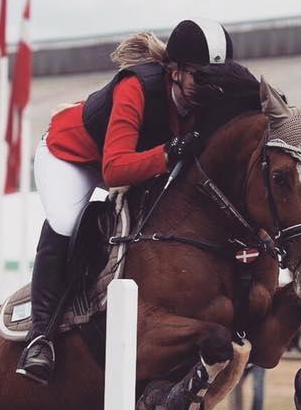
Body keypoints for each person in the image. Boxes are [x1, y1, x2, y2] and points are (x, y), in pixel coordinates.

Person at [18, 19, 259, 384]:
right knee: (66, 223)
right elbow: (114, 170)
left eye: (217, 78)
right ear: (174, 72)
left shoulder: (203, 98)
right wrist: (168, 153)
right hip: (72, 157)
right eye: (200, 77)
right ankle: (41, 336)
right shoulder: (138, 88)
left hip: (138, 161)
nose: (210, 88)